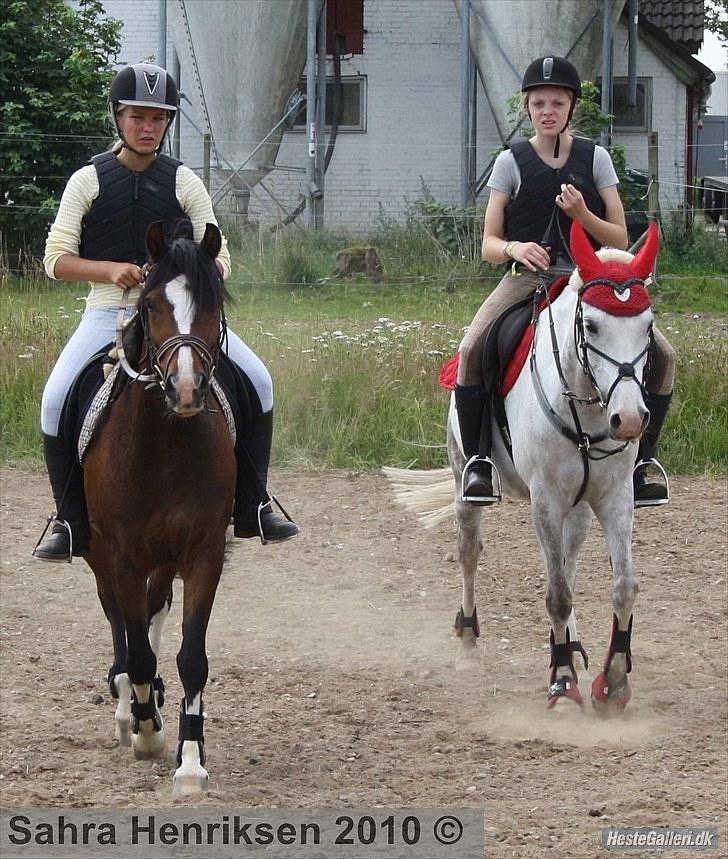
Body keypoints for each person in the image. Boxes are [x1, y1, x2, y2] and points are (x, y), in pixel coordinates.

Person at [33, 62, 298, 562]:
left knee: (260, 380)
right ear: (119, 117)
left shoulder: (183, 181)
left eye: (158, 118)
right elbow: (56, 260)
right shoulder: (87, 180)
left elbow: (218, 255)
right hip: (109, 311)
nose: (148, 127)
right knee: (53, 398)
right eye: (138, 116)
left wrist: (197, 272)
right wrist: (110, 271)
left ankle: (254, 503)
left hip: (180, 316)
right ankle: (68, 521)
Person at [455, 55, 674, 507]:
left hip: (583, 283)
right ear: (527, 107)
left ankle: (641, 465)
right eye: (538, 103)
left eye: (557, 102)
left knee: (665, 356)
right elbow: (489, 243)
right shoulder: (508, 162)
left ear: (571, 106)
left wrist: (582, 214)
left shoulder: (595, 158)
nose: (547, 111)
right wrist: (515, 249)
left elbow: (620, 236)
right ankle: (478, 462)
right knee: (471, 348)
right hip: (525, 280)